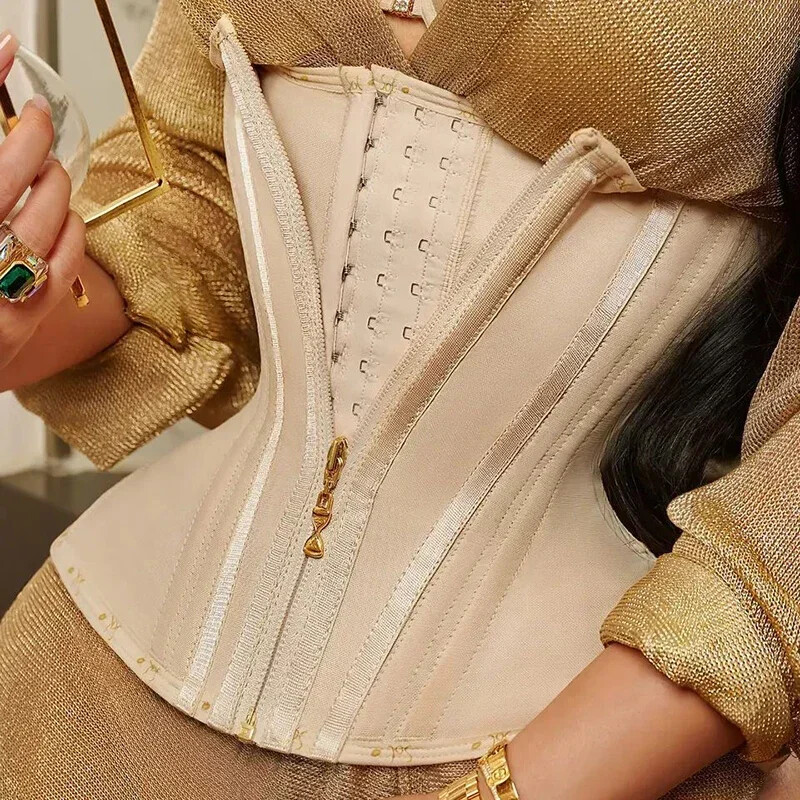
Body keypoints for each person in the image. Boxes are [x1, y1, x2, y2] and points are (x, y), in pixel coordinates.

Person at [1, 2, 800, 798]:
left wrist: (529, 785)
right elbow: (188, 189)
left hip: (559, 739)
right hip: (87, 689)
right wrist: (18, 285)